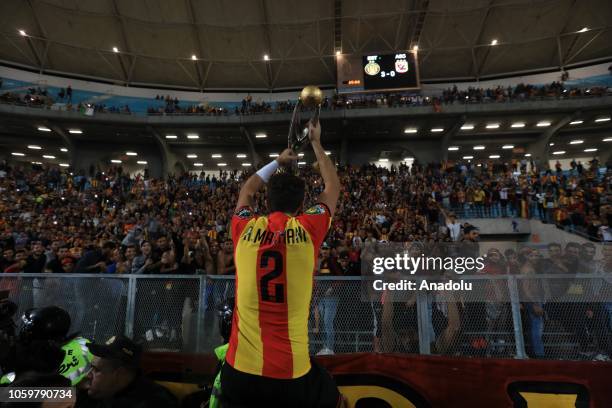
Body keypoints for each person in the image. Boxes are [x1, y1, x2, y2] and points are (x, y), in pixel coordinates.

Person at [220, 120, 343, 407]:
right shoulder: (308, 229)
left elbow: (247, 191)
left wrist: (277, 161)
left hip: (239, 370)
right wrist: (315, 142)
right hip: (292, 374)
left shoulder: (244, 228)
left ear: (267, 201)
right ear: (302, 207)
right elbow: (332, 186)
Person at [79, 335, 178, 408]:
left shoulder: (155, 402)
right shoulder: (101, 391)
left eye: (96, 370)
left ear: (120, 374)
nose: (88, 375)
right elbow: (66, 396)